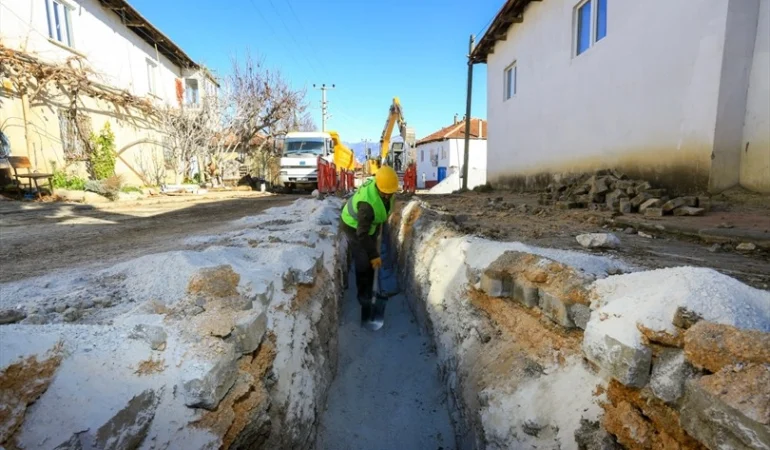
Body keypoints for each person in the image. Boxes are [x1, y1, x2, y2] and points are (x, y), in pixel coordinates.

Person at [340, 165, 399, 320]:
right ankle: (364, 296)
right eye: (384, 193)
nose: (387, 196)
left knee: (371, 257)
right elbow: (362, 234)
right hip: (353, 226)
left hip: (369, 225)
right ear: (378, 187)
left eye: (390, 193)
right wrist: (373, 254)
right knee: (363, 261)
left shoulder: (385, 187)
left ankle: (373, 284)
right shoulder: (367, 204)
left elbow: (382, 209)